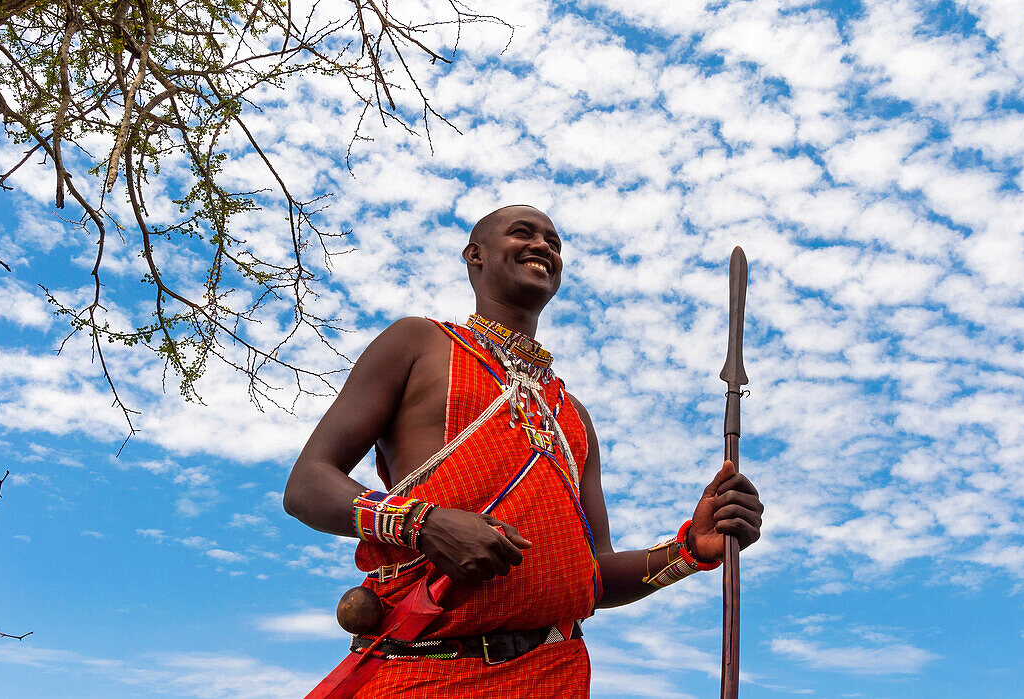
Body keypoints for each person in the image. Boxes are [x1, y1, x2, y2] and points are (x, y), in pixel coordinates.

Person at [284, 204, 764, 697]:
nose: (542, 247)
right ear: (475, 255)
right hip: (425, 671)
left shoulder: (571, 413)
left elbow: (591, 578)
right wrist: (423, 523)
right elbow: (306, 485)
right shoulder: (418, 343)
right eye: (522, 234)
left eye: (553, 244)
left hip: (555, 676)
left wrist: (689, 549)